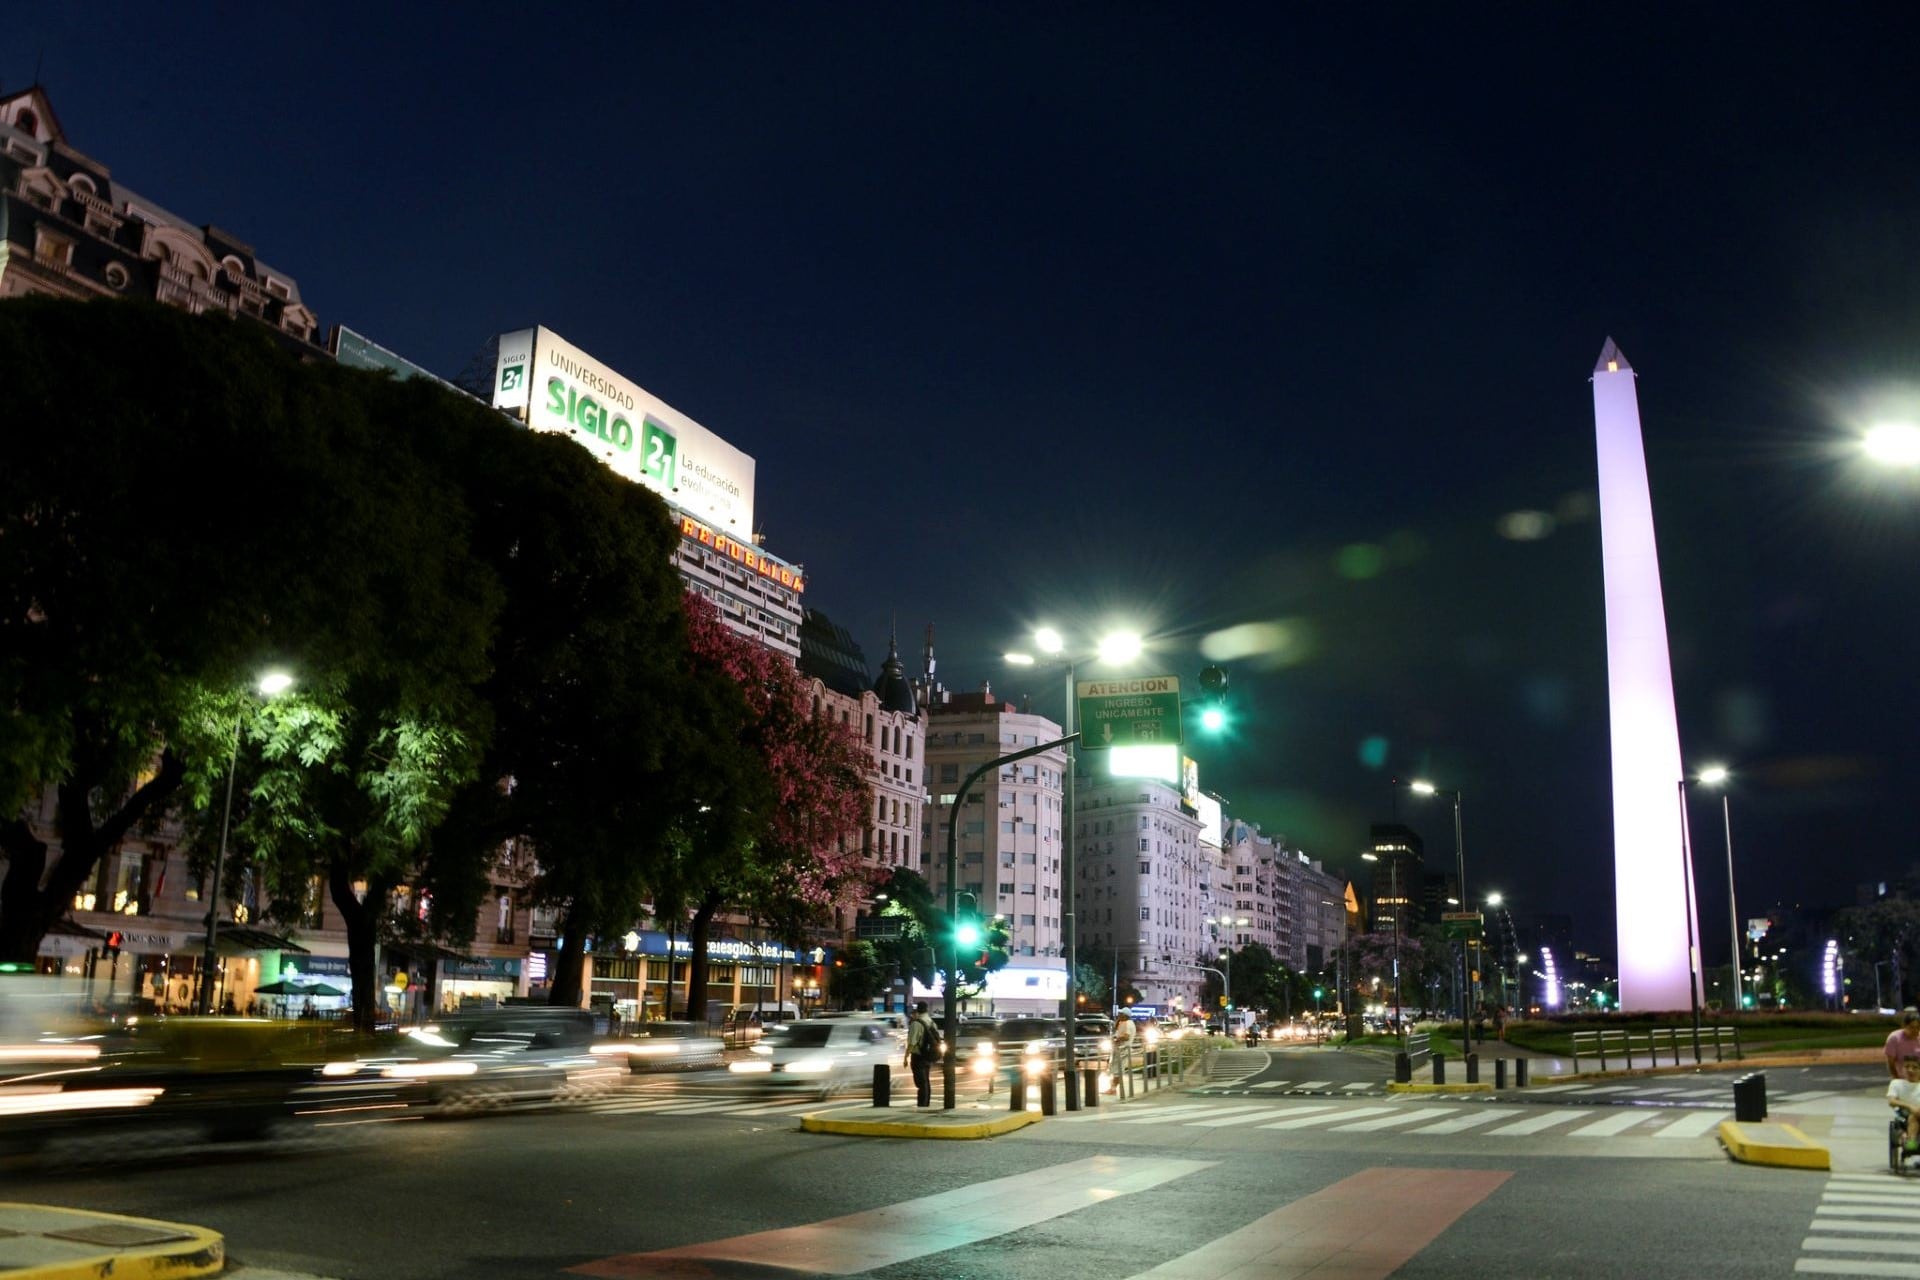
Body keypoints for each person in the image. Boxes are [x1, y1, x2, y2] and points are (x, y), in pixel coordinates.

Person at [904, 1002, 935, 1107]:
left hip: (918, 1056)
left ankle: (922, 1104)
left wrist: (906, 1057)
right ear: (926, 1009)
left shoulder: (916, 1024)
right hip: (928, 1055)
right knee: (926, 1080)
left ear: (917, 1010)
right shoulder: (931, 1022)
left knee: (921, 1083)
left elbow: (912, 1043)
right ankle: (926, 1103)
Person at [1890, 1057, 1920, 1155]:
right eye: (1907, 1067)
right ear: (1902, 1069)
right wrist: (1910, 1106)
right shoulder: (1896, 1084)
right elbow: (1892, 1101)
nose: (1910, 1070)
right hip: (1906, 1115)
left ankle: (1911, 1143)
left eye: (1915, 1067)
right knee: (1913, 1116)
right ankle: (1911, 1142)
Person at [1886, 1008, 1920, 1079]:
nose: (1915, 1030)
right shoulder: (1894, 1038)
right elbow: (1891, 1063)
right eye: (1912, 1027)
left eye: (1918, 1028)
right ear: (1904, 1026)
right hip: (1902, 1078)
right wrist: (1897, 1078)